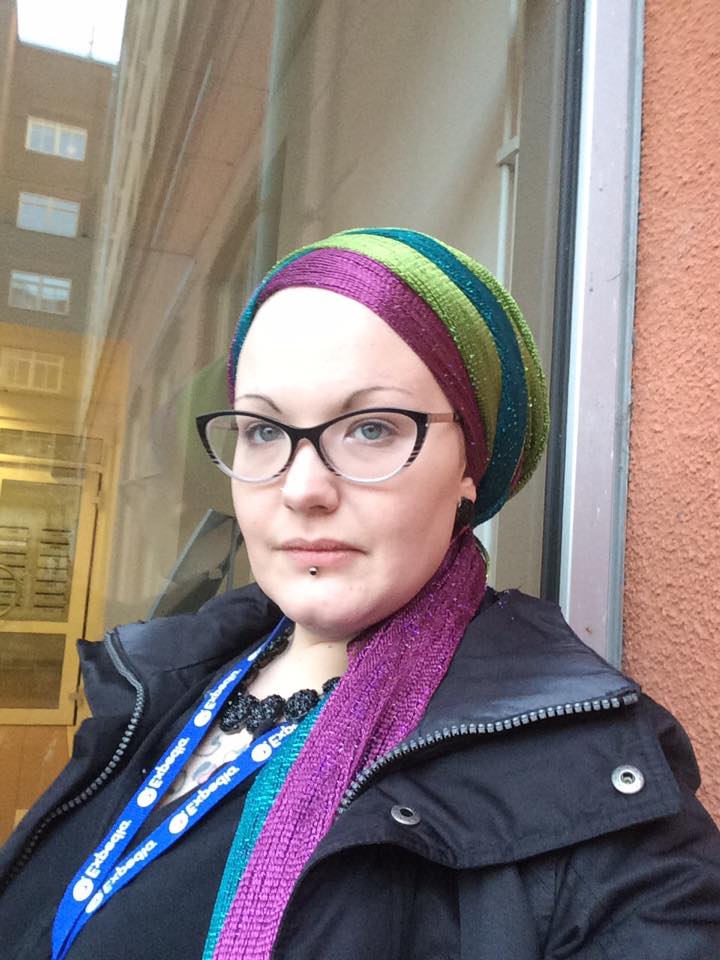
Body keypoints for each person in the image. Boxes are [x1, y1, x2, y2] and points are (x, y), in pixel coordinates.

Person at [1, 227, 719, 959]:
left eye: (371, 428)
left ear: (469, 465)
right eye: (262, 430)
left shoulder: (588, 780)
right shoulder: (158, 685)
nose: (302, 488)